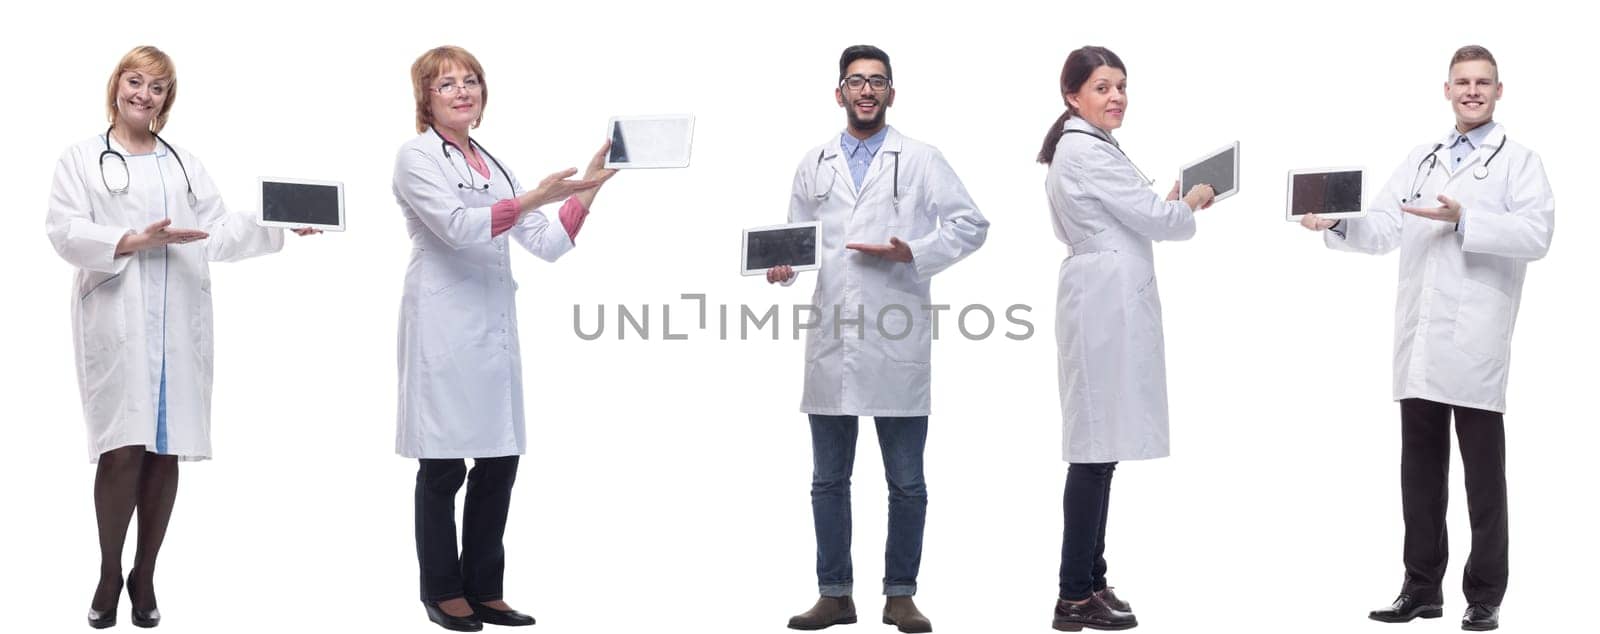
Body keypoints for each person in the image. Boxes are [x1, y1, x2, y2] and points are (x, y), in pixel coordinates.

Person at [45, 45, 317, 630]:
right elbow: (64, 232)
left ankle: (145, 575)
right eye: (135, 81)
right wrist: (129, 242)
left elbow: (215, 233)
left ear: (169, 99)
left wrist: (277, 224)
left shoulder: (184, 163)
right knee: (121, 448)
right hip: (120, 319)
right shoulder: (81, 158)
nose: (143, 94)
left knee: (165, 450)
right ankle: (108, 571)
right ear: (116, 84)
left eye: (158, 87)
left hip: (178, 325)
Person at [1300, 45, 1554, 632]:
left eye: (1482, 83)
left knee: (1483, 474)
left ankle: (1485, 594)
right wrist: (1337, 221)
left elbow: (1537, 234)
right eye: (1462, 82)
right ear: (1446, 90)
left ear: (1498, 91)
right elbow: (1388, 224)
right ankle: (1421, 588)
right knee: (1419, 470)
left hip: (1474, 339)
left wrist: (1466, 219)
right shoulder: (1423, 158)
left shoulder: (1519, 161)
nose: (1472, 91)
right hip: (1419, 337)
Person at [393, 45, 616, 633]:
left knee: (498, 461)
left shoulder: (495, 163)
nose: (463, 91)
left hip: (491, 328)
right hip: (441, 326)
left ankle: (485, 589)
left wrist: (588, 189)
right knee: (442, 468)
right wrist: (531, 199)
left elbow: (544, 242)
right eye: (447, 85)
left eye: (471, 81)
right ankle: (442, 591)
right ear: (426, 98)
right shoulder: (415, 158)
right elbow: (456, 226)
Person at [771, 44, 988, 634]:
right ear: (838, 92)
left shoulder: (920, 158)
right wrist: (785, 268)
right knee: (827, 481)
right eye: (855, 81)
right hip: (832, 338)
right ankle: (835, 594)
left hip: (897, 336)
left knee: (907, 482)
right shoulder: (813, 162)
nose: (866, 90)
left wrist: (913, 250)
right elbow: (797, 239)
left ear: (892, 93)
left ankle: (900, 596)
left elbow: (972, 224)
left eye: (877, 82)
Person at [1038, 45, 1215, 632]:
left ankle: (1091, 580)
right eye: (1101, 87)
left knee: (1101, 448)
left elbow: (1135, 214)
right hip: (1103, 303)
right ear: (1073, 96)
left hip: (1105, 296)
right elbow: (1164, 224)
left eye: (1121, 86)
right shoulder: (1085, 150)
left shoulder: (1088, 146)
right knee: (1092, 452)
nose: (1115, 97)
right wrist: (1191, 203)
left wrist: (1159, 208)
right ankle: (1072, 595)